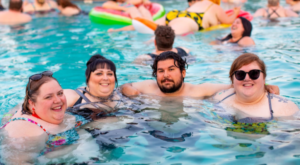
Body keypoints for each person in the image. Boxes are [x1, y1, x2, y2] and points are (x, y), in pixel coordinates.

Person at [0, 71, 89, 164]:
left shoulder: (26, 107)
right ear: (32, 103)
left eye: (60, 93)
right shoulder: (27, 134)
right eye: (48, 97)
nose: (58, 100)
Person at [121, 51, 279, 97]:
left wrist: (264, 87)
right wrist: (128, 90)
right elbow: (124, 85)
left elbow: (236, 84)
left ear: (183, 73)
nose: (165, 75)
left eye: (171, 69)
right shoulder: (149, 87)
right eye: (161, 71)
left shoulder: (198, 90)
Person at [213, 53, 299, 123]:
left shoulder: (285, 108)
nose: (247, 78)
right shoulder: (220, 98)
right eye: (240, 74)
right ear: (232, 80)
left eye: (254, 73)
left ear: (264, 78)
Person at [64, 54, 122, 121]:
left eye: (110, 74)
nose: (105, 78)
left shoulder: (121, 95)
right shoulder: (71, 96)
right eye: (99, 74)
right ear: (87, 76)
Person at [164, 0, 241, 35]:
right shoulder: (215, 6)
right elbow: (229, 21)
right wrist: (235, 13)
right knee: (169, 37)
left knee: (160, 35)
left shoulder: (199, 3)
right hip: (195, 19)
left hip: (177, 14)